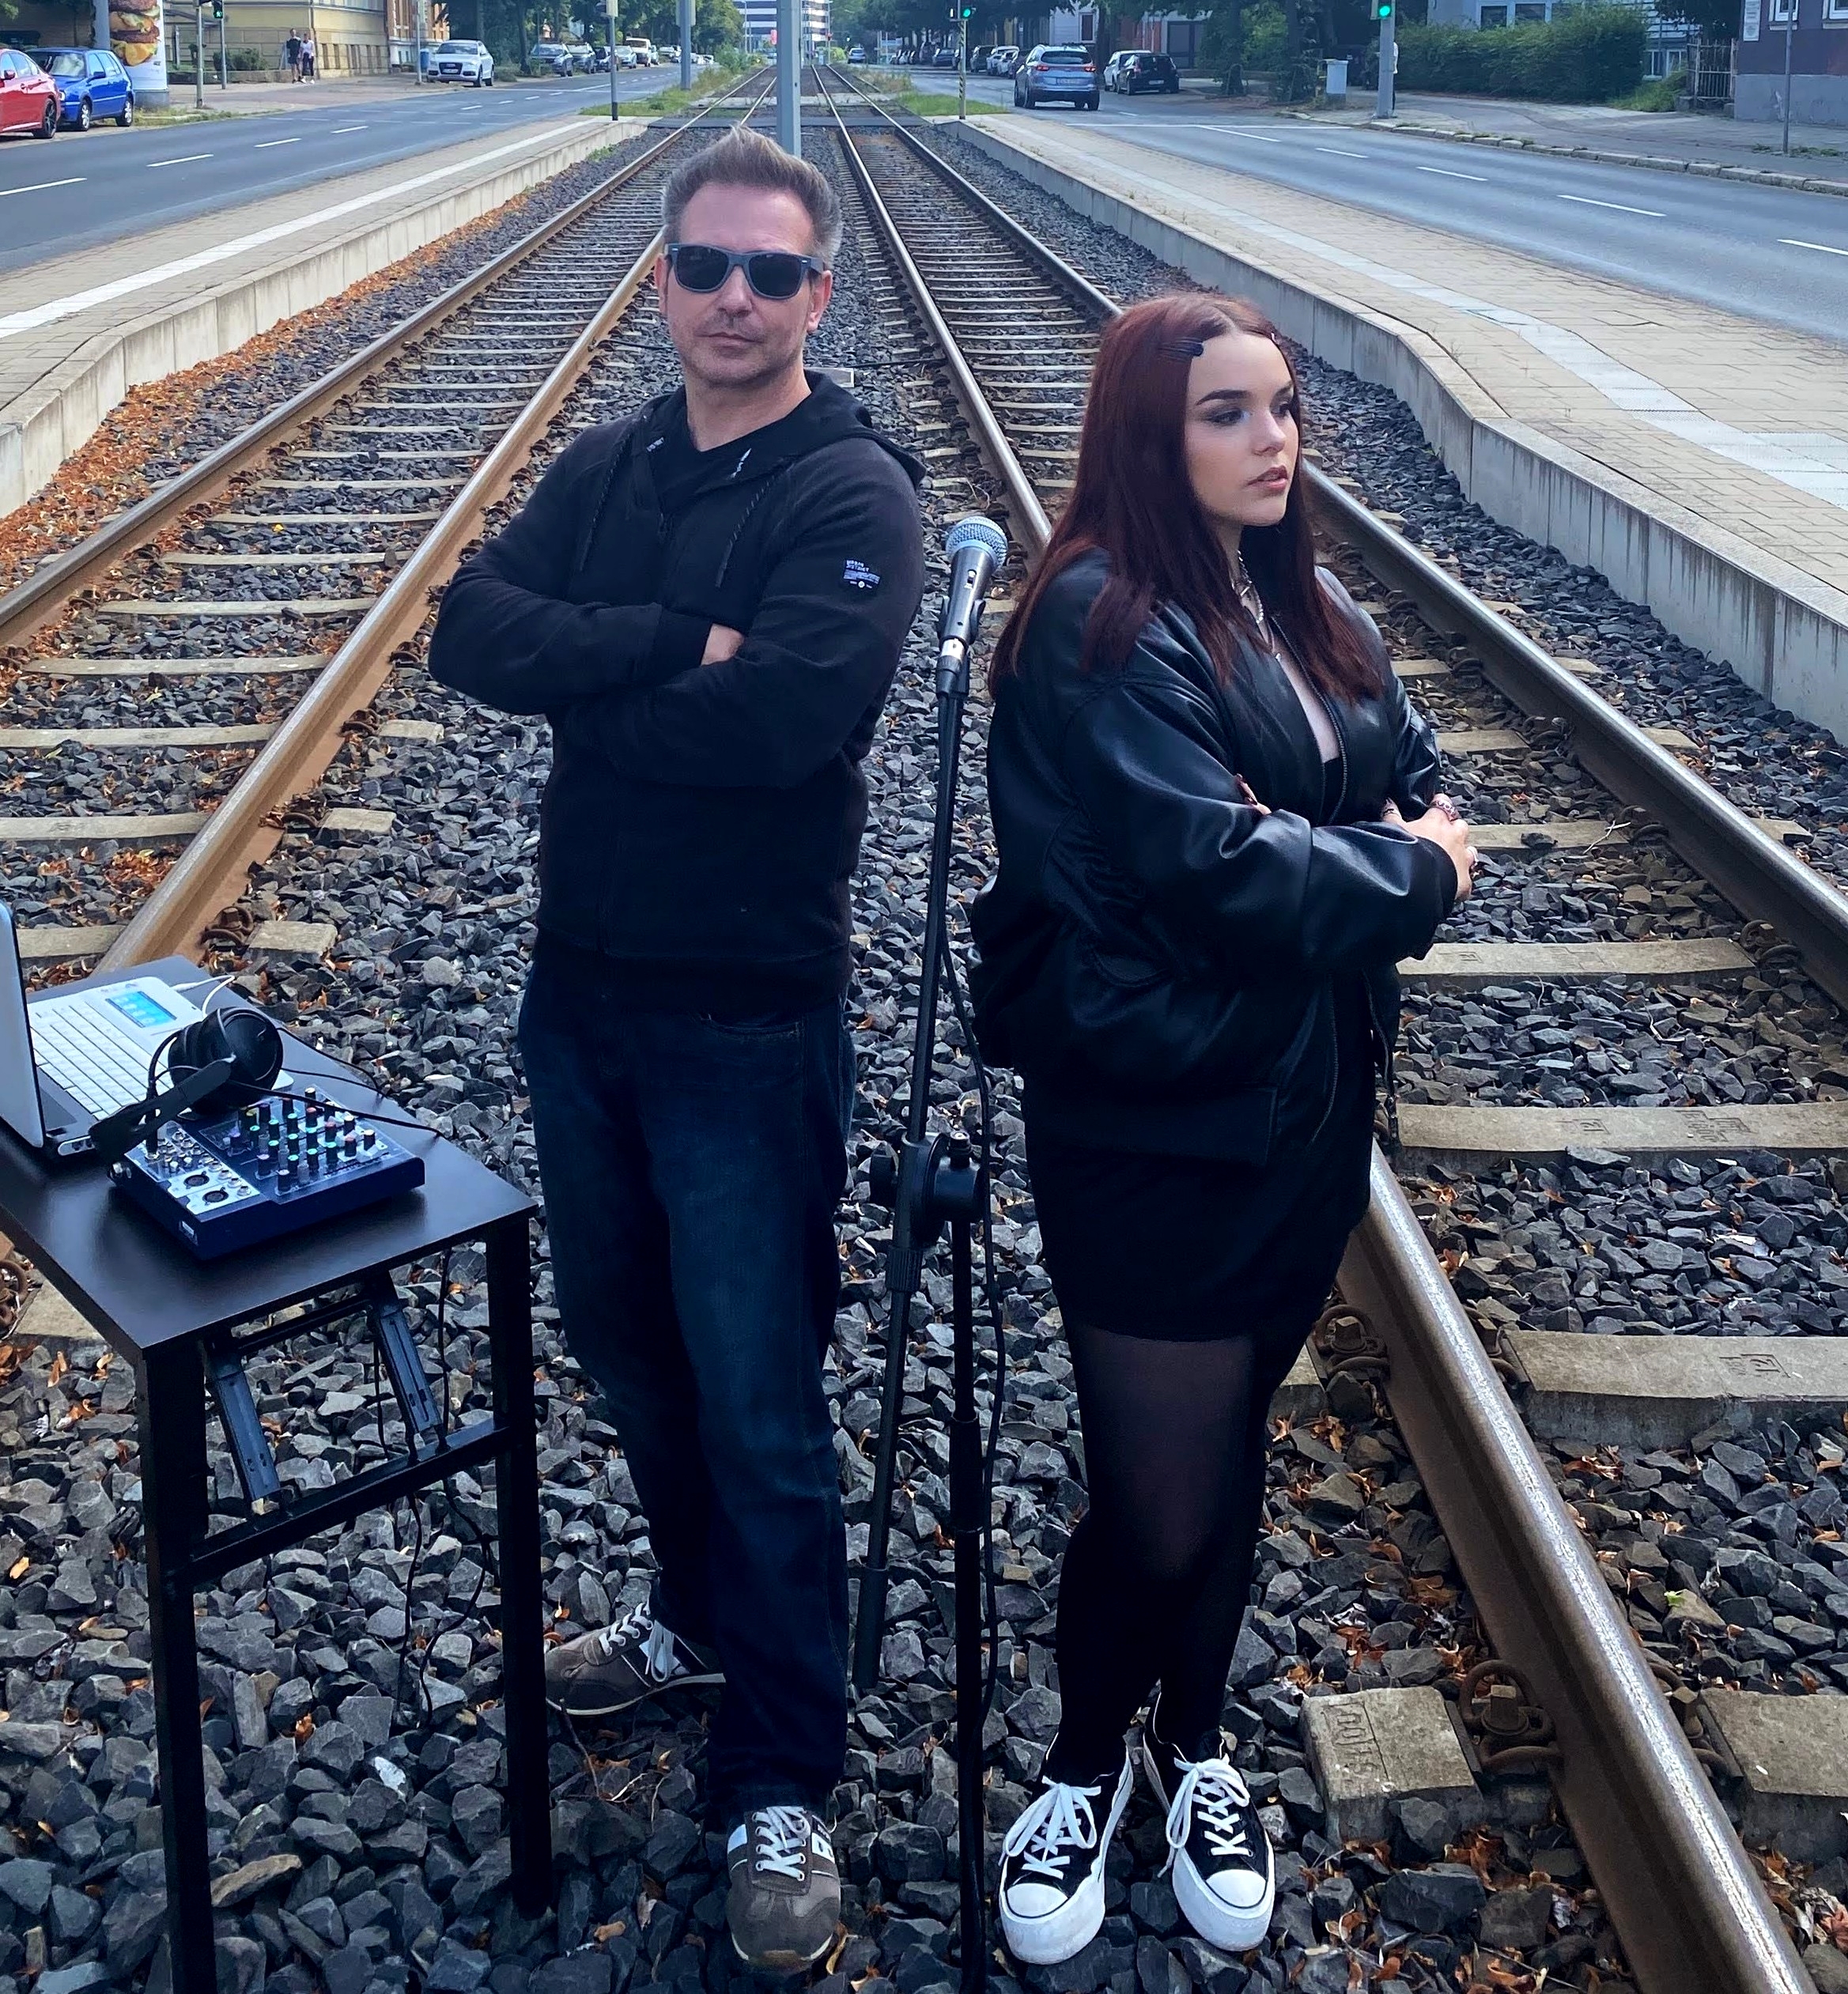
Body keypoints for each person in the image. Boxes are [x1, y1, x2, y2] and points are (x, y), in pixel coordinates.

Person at [428, 127, 925, 1975]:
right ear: (664, 284)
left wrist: (595, 688)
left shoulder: (850, 487)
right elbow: (470, 630)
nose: (735, 298)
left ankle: (782, 1771)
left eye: (770, 273)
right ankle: (695, 1617)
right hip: (584, 998)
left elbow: (786, 724)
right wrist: (664, 644)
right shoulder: (620, 458)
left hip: (745, 1018)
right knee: (629, 1350)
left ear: (818, 295)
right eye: (706, 267)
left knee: (759, 1400)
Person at [969, 292, 1475, 1968]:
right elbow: (1218, 871)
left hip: (1302, 1112)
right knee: (1158, 1502)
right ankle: (1078, 1766)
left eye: (1282, 407)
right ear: (1147, 431)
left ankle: (1189, 1748)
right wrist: (1391, 868)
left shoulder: (1304, 601)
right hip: (1154, 1125)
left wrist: (1340, 853)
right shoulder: (1096, 620)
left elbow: (1407, 773)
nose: (1274, 441)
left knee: (1228, 1450)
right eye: (1227, 413)